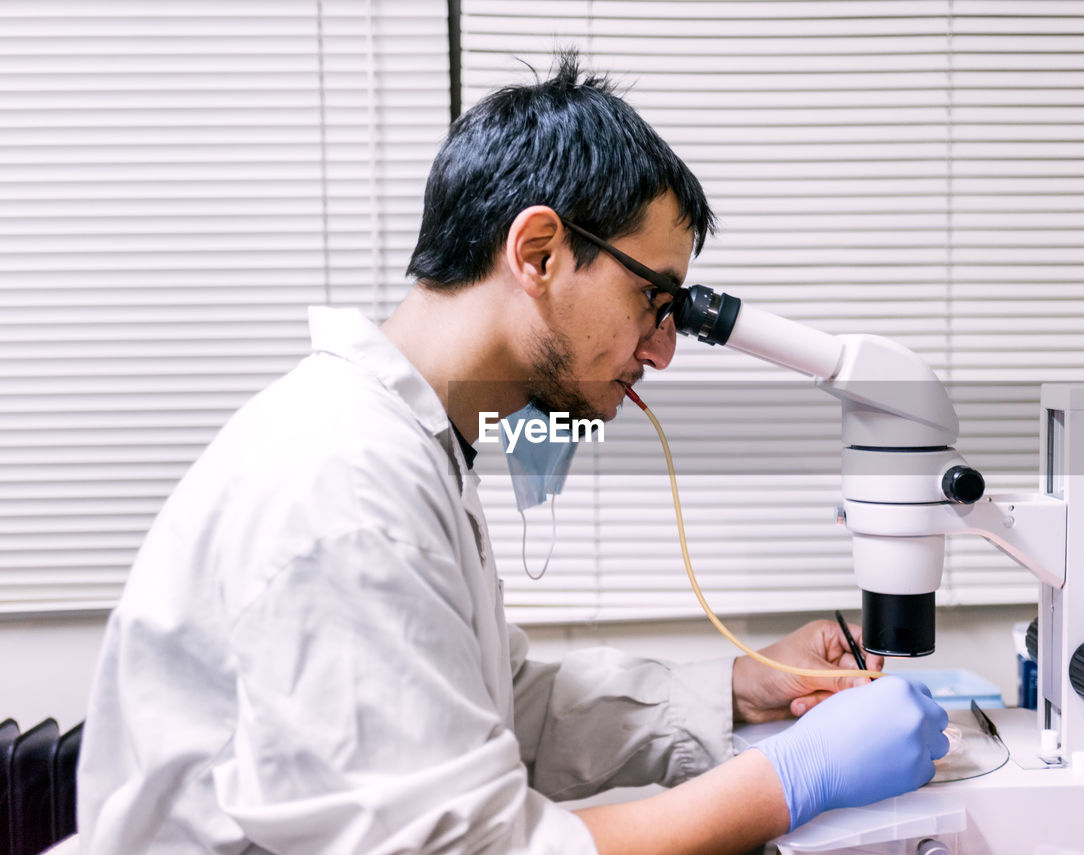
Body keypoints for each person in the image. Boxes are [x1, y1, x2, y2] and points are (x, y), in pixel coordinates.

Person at [77, 53, 948, 854]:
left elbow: (498, 711)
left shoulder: (407, 443)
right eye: (656, 299)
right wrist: (787, 782)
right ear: (537, 251)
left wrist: (738, 684)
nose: (664, 349)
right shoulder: (345, 488)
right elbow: (468, 847)